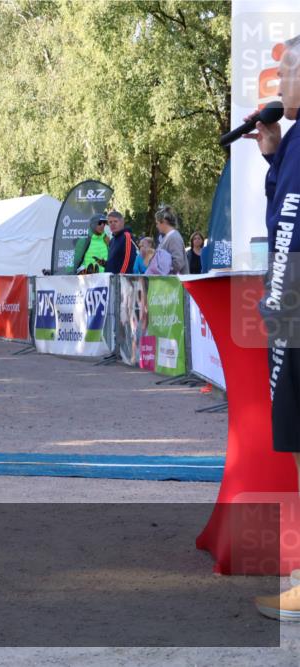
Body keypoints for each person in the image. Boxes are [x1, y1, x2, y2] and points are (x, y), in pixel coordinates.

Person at [247, 33, 300, 622]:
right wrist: (272, 156)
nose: (277, 82)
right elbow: (283, 216)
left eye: (285, 70)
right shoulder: (295, 142)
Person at [155, 206, 188, 275]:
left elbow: (178, 262)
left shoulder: (174, 237)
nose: (156, 226)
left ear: (164, 222)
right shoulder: (168, 237)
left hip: (175, 283)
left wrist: (162, 272)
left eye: (157, 223)